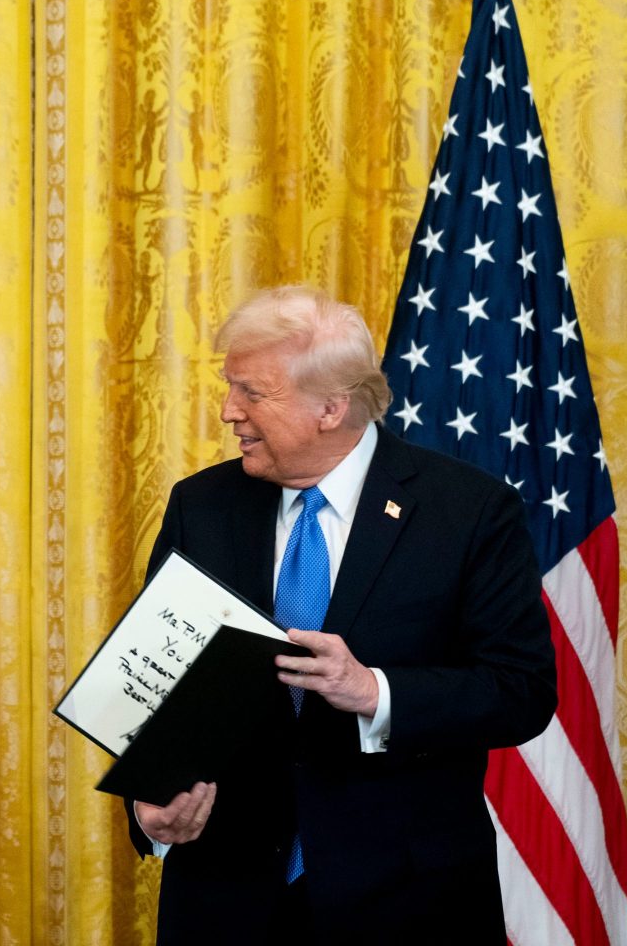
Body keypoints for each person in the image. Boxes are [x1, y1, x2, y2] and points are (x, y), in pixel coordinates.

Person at [127, 286, 556, 944]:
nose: (228, 410)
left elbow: (521, 691)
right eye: (230, 387)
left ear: (330, 407)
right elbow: (150, 683)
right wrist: (149, 801)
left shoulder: (470, 511)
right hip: (226, 899)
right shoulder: (201, 506)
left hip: (406, 902)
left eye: (251, 392)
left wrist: (375, 691)